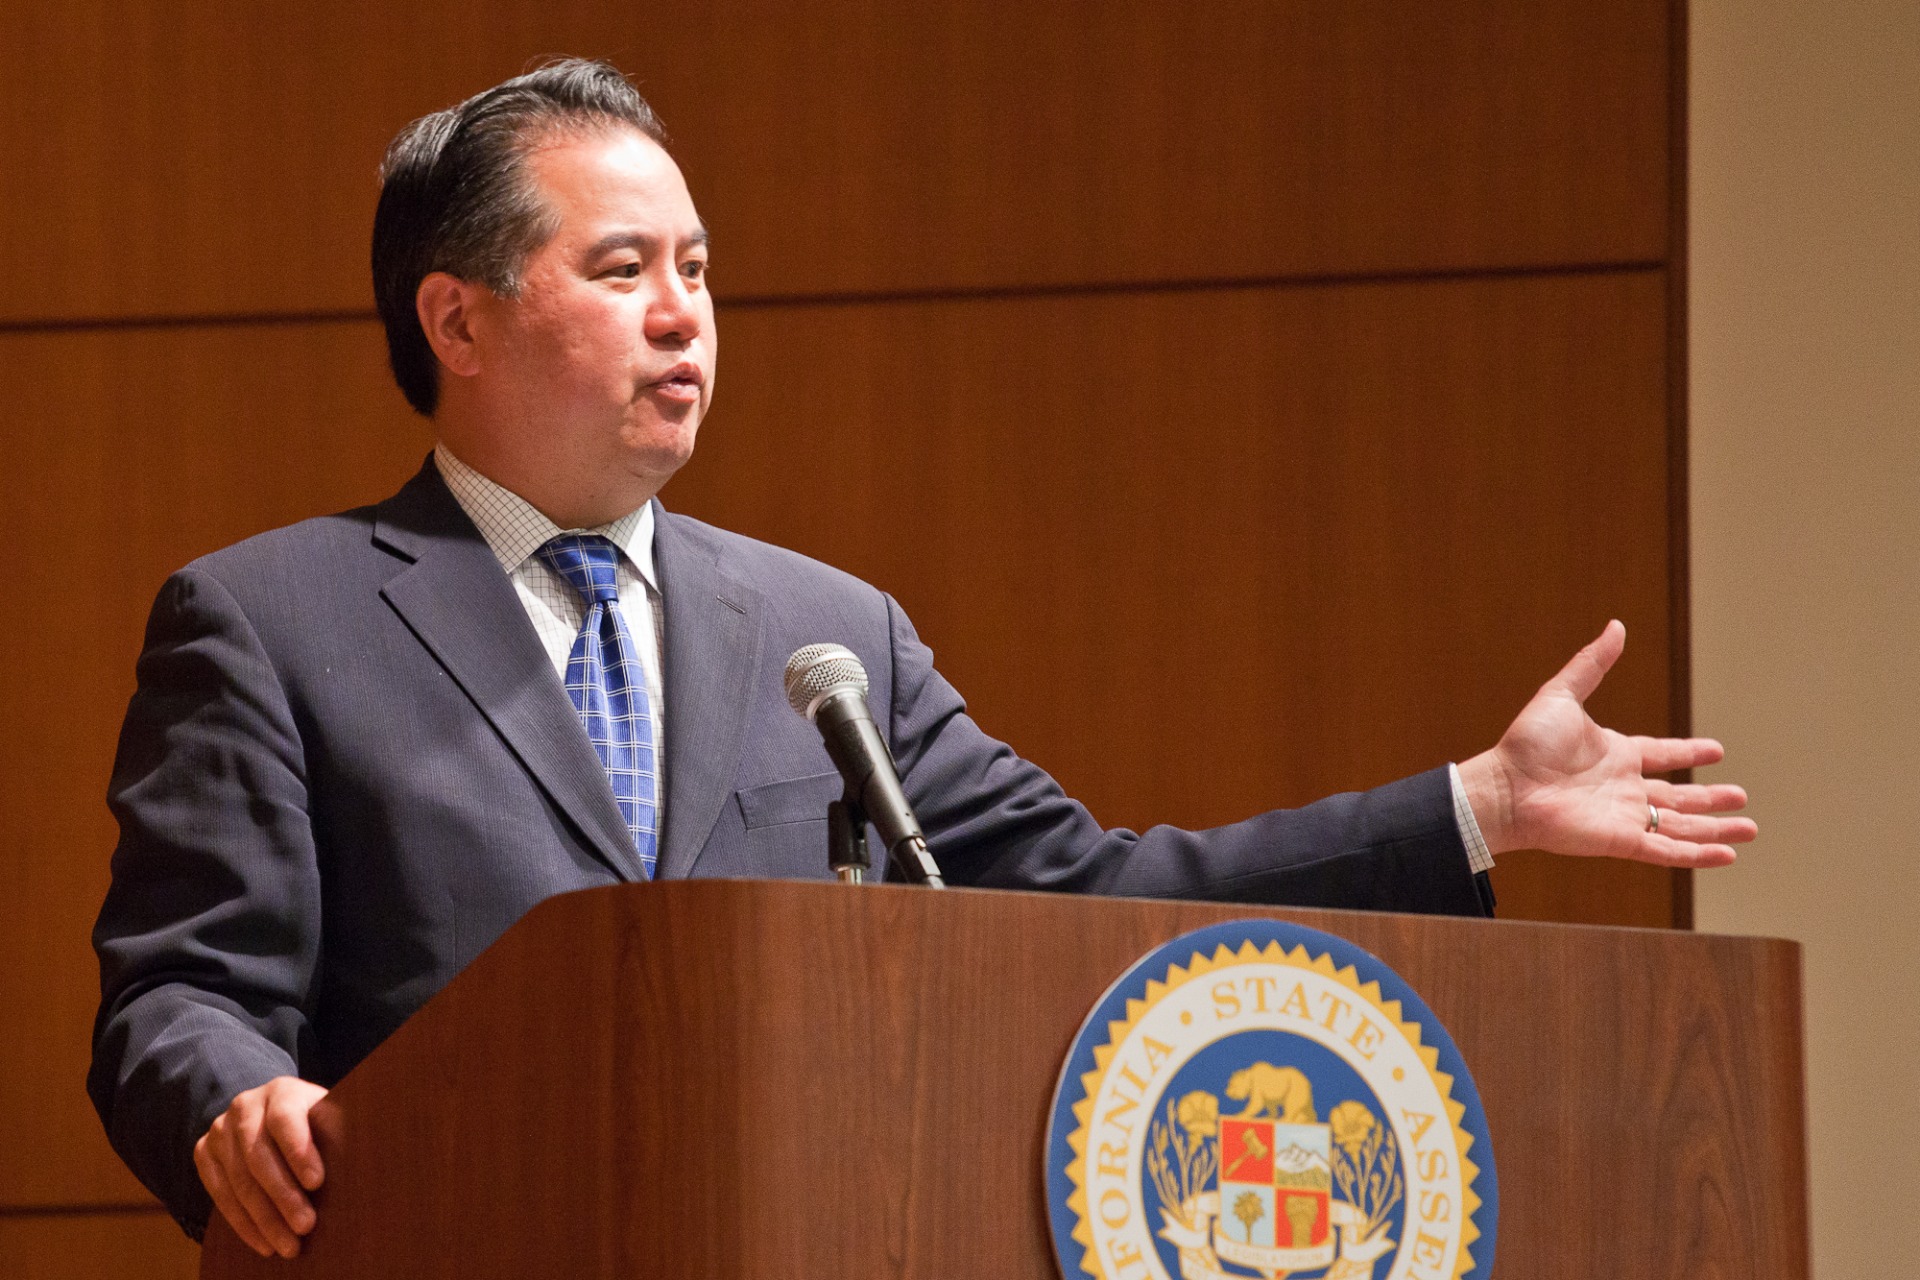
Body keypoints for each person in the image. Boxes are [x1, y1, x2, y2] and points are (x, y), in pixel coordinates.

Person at [88, 60, 1755, 1258]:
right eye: (624, 272)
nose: (685, 315)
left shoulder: (825, 636)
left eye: (698, 272)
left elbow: (1091, 895)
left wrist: (1470, 806)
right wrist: (242, 1101)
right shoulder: (275, 620)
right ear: (455, 323)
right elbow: (178, 992)